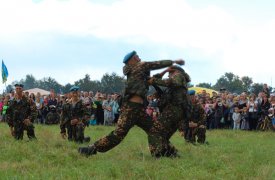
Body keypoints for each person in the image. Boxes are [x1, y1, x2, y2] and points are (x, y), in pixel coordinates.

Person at [78, 50, 184, 156]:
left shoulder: (136, 72)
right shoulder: (139, 66)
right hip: (130, 109)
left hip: (138, 110)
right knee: (119, 133)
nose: (140, 58)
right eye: (137, 57)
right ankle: (91, 149)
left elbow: (151, 80)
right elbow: (156, 64)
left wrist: (165, 72)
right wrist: (173, 61)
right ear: (132, 60)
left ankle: (168, 152)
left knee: (155, 129)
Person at [147, 65, 190, 157]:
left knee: (155, 131)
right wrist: (165, 71)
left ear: (174, 71)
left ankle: (157, 155)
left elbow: (171, 82)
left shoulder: (178, 75)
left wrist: (154, 80)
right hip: (176, 111)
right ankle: (172, 154)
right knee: (163, 135)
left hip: (173, 110)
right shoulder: (178, 80)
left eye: (169, 73)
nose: (168, 75)